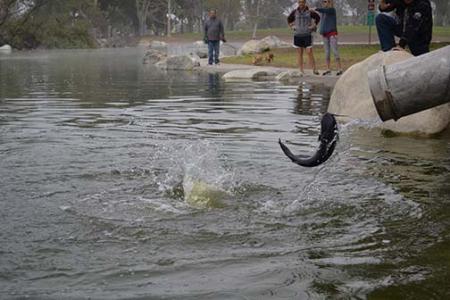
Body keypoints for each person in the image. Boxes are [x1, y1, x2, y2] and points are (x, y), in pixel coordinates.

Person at [287, 0, 320, 75]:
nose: (301, 4)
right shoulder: (295, 12)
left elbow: (318, 18)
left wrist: (313, 26)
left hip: (307, 35)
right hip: (297, 35)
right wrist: (292, 26)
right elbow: (289, 19)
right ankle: (301, 70)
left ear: (305, 3)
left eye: (302, 2)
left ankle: (314, 69)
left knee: (309, 52)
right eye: (299, 2)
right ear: (298, 3)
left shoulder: (310, 11)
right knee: (300, 53)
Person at [313, 0, 343, 76]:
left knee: (335, 51)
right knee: (327, 52)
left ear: (330, 2)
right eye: (323, 2)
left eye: (326, 1)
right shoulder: (323, 12)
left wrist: (315, 9)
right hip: (325, 34)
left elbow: (324, 10)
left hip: (332, 34)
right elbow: (322, 22)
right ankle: (328, 69)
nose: (324, 3)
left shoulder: (331, 10)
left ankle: (339, 68)